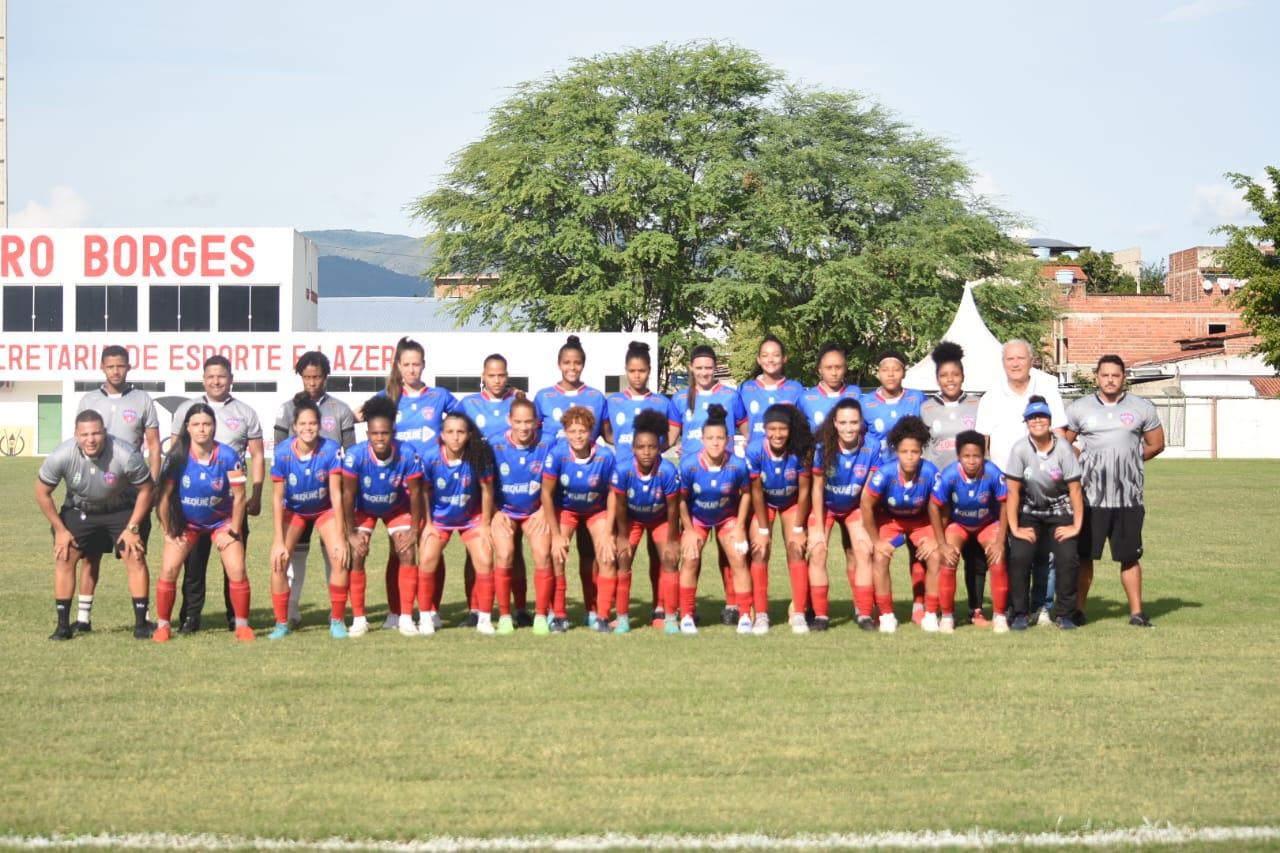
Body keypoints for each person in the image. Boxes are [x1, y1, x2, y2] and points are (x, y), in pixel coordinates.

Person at [34, 410, 155, 640]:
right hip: (81, 510)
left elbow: (147, 489)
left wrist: (132, 528)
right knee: (65, 556)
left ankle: (141, 624)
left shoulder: (125, 453)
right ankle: (63, 626)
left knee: (135, 555)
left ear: (105, 433)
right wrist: (60, 530)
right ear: (76, 435)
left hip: (120, 510)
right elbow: (41, 492)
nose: (91, 439)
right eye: (85, 434)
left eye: (96, 433)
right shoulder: (61, 455)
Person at [1063, 355, 1164, 627]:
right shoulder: (1079, 408)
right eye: (1105, 375)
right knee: (1084, 558)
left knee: (1129, 557)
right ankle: (1078, 611)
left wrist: (1129, 461)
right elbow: (1063, 444)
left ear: (1124, 378)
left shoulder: (1142, 407)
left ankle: (1137, 613)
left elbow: (1156, 444)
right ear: (1096, 377)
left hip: (1128, 498)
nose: (1110, 380)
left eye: (1115, 375)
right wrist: (1081, 461)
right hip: (1090, 499)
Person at [975, 339, 1068, 624]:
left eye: (1020, 358)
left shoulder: (1048, 390)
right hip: (1007, 485)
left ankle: (1042, 607)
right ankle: (1019, 609)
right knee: (1017, 552)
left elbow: (1061, 435)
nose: (1015, 364)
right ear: (1003, 364)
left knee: (1047, 553)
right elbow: (981, 445)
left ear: (1031, 361)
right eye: (1009, 359)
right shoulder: (991, 397)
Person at [368, 337, 458, 629]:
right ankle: (396, 611)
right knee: (400, 548)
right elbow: (365, 423)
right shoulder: (387, 397)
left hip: (432, 485)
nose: (411, 370)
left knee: (432, 547)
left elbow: (467, 417)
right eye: (406, 364)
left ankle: (431, 609)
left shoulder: (439, 396)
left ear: (424, 365)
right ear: (398, 366)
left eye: (416, 364)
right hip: (399, 487)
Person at [171, 355, 264, 633]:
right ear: (203, 379)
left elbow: (257, 455)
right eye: (210, 376)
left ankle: (236, 617)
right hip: (193, 505)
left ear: (231, 379)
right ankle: (190, 617)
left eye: (221, 376)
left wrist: (256, 494)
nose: (216, 381)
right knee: (193, 566)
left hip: (230, 505)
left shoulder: (245, 412)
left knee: (233, 564)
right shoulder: (187, 410)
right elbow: (175, 455)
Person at [71, 345, 161, 633]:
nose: (116, 371)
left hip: (131, 494)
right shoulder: (89, 399)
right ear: (102, 367)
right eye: (110, 366)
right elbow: (79, 443)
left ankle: (141, 620)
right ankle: (83, 619)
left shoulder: (142, 399)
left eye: (120, 365)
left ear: (128, 366)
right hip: (94, 491)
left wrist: (154, 482)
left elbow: (154, 444)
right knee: (90, 558)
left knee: (135, 553)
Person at [153, 404, 253, 643]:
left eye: (207, 424)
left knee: (237, 569)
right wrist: (168, 531)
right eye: (196, 424)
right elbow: (163, 498)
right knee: (169, 569)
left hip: (221, 522)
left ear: (214, 427)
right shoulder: (177, 456)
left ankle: (242, 626)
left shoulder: (228, 456)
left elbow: (240, 497)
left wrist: (234, 531)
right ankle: (163, 626)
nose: (202, 429)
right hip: (187, 524)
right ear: (187, 428)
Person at [272, 350, 356, 628]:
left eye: (317, 377)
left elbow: (351, 454)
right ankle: (291, 611)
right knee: (294, 555)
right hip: (296, 500)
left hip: (329, 499)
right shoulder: (286, 409)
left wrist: (347, 499)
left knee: (335, 554)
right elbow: (282, 452)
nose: (312, 382)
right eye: (307, 377)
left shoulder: (339, 410)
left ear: (326, 376)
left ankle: (337, 616)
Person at [668, 345, 747, 623]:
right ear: (691, 368)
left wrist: (740, 452)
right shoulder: (679, 398)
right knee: (692, 550)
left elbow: (745, 429)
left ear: (715, 368)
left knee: (730, 551)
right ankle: (688, 608)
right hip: (692, 482)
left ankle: (734, 606)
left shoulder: (730, 395)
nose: (704, 372)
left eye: (708, 367)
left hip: (725, 479)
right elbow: (670, 437)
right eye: (699, 367)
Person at [534, 335, 609, 625]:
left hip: (590, 493)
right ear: (559, 364)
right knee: (557, 551)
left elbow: (607, 434)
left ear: (583, 365)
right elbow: (532, 436)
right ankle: (557, 612)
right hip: (557, 493)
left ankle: (594, 610)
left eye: (577, 363)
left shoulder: (595, 397)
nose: (572, 367)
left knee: (591, 554)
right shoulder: (543, 397)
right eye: (567, 362)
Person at [266, 395, 349, 640]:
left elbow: (336, 493)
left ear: (320, 424)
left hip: (324, 510)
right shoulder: (282, 453)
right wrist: (278, 540)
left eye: (312, 423)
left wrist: (342, 537)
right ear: (294, 427)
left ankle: (337, 620)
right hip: (294, 511)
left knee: (340, 557)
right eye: (302, 424)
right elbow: (277, 498)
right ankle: (281, 623)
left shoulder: (331, 450)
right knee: (279, 561)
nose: (308, 428)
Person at [920, 341, 990, 627]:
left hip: (973, 490)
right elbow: (924, 451)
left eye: (955, 375)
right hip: (941, 494)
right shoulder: (926, 408)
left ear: (963, 376)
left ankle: (975, 609)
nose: (950, 380)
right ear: (937, 379)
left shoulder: (977, 405)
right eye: (944, 375)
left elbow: (986, 443)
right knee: (940, 550)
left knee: (975, 554)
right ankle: (934, 608)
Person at [341, 395, 423, 636]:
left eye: (385, 433)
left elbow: (417, 493)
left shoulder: (407, 453)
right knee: (357, 553)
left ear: (393, 432)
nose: (380, 438)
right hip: (363, 508)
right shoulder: (355, 456)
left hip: (396, 507)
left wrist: (414, 530)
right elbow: (347, 495)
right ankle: (359, 619)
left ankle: (405, 617)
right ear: (367, 434)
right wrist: (351, 533)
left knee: (406, 551)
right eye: (375, 433)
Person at [606, 341, 677, 618]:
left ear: (649, 371)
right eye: (633, 371)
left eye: (642, 371)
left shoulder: (661, 402)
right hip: (625, 489)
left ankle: (660, 607)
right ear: (626, 371)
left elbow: (672, 432)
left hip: (655, 486)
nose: (637, 375)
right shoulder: (613, 401)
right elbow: (607, 433)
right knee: (622, 553)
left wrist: (661, 450)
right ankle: (614, 610)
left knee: (659, 554)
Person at [1003, 396, 1084, 631]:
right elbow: (1013, 491)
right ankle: (1019, 613)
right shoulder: (1020, 448)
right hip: (1029, 511)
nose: (1037, 421)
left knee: (1067, 558)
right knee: (1019, 556)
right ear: (1026, 422)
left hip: (1060, 510)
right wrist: (1015, 528)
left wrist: (1076, 526)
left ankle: (1064, 614)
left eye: (1041, 417)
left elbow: (1075, 490)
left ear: (1049, 420)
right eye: (1032, 417)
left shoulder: (1064, 448)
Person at [460, 353, 528, 623]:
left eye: (501, 375)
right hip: (478, 487)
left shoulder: (518, 402)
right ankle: (474, 609)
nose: (497, 380)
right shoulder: (469, 404)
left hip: (511, 487)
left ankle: (520, 609)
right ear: (483, 376)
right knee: (476, 548)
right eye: (492, 375)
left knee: (515, 548)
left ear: (507, 375)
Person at [676, 404, 755, 636]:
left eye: (720, 438)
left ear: (728, 439)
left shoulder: (737, 465)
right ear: (702, 439)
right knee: (690, 558)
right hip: (697, 519)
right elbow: (681, 500)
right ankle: (687, 615)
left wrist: (740, 527)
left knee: (739, 556)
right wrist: (689, 530)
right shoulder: (689, 465)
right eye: (710, 438)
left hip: (726, 517)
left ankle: (744, 615)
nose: (715, 442)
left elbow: (747, 494)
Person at [862, 349, 928, 622]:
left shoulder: (917, 398)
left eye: (896, 369)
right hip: (882, 483)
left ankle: (920, 605)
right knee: (877, 547)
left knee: (919, 546)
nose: (890, 374)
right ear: (878, 373)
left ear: (904, 372)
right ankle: (880, 606)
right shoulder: (866, 403)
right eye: (885, 369)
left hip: (913, 479)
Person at [860, 416, 943, 633]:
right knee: (880, 556)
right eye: (904, 452)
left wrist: (936, 538)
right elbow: (866, 504)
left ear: (921, 452)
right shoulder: (885, 473)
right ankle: (886, 614)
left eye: (914, 452)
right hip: (891, 521)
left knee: (935, 556)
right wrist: (876, 541)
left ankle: (931, 613)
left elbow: (944, 507)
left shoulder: (930, 472)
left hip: (921, 522)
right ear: (897, 451)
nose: (909, 457)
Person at [539, 406, 617, 634]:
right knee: (557, 554)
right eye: (572, 431)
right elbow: (546, 493)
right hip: (567, 510)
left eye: (582, 431)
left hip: (596, 511)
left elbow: (613, 493)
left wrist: (609, 531)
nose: (577, 436)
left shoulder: (605, 456)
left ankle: (601, 616)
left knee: (607, 555)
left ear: (591, 431)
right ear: (565, 432)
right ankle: (559, 615)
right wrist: (555, 535)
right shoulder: (557, 454)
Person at [417, 412, 497, 635]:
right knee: (426, 558)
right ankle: (425, 617)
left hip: (471, 519)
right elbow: (422, 491)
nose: (455, 437)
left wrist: (485, 524)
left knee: (484, 559)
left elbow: (487, 490)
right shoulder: (430, 456)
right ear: (442, 435)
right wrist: (429, 524)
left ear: (469, 435)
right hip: (439, 520)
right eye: (450, 432)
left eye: (460, 432)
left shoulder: (478, 456)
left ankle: (484, 618)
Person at [808, 398, 880, 631]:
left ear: (861, 423)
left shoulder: (872, 447)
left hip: (855, 506)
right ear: (835, 424)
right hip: (826, 506)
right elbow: (817, 488)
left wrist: (864, 525)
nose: (849, 428)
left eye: (853, 422)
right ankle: (820, 615)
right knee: (818, 550)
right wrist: (819, 527)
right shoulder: (822, 447)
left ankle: (864, 613)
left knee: (863, 549)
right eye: (843, 423)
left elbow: (868, 493)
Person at [610, 410, 682, 633]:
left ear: (659, 447)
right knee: (622, 557)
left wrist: (671, 539)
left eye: (652, 447)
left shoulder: (668, 470)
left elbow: (673, 509)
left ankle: (669, 616)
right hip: (632, 519)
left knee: (669, 559)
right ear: (633, 449)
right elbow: (620, 506)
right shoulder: (623, 469)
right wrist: (622, 537)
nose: (647, 452)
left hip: (660, 518)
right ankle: (622, 617)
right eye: (641, 447)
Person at [930, 431, 1009, 633]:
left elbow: (1005, 504)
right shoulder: (949, 474)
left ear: (984, 456)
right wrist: (941, 543)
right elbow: (933, 506)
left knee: (997, 557)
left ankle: (1000, 616)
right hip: (959, 524)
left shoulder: (993, 473)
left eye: (976, 456)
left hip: (986, 523)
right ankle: (947, 616)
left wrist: (1000, 541)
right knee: (948, 557)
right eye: (966, 456)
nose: (972, 461)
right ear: (958, 456)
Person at [747, 404, 815, 635]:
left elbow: (805, 491)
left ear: (790, 429)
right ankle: (761, 615)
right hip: (764, 502)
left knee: (796, 548)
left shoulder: (800, 449)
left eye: (782, 429)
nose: (777, 434)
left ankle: (798, 613)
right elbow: (755, 491)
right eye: (772, 429)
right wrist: (764, 529)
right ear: (764, 429)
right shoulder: (755, 450)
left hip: (792, 502)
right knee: (759, 549)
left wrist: (798, 526)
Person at [489, 397, 552, 633]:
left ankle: (540, 616)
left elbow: (554, 481)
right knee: (505, 554)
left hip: (535, 510)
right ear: (509, 421)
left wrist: (545, 510)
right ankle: (505, 615)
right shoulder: (495, 446)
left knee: (542, 554)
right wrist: (494, 513)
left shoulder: (548, 443)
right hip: (503, 511)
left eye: (528, 422)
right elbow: (484, 485)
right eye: (518, 422)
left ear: (537, 422)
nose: (524, 427)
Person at [738, 335, 805, 452]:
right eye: (765, 355)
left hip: (787, 457)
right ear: (759, 359)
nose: (770, 359)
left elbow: (803, 423)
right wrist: (750, 438)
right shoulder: (746, 388)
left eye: (776, 355)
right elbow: (740, 418)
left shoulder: (796, 389)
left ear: (784, 358)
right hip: (757, 458)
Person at [798, 342, 861, 434]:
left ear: (845, 368)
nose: (834, 373)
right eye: (828, 368)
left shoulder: (855, 394)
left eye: (838, 367)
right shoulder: (805, 398)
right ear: (820, 369)